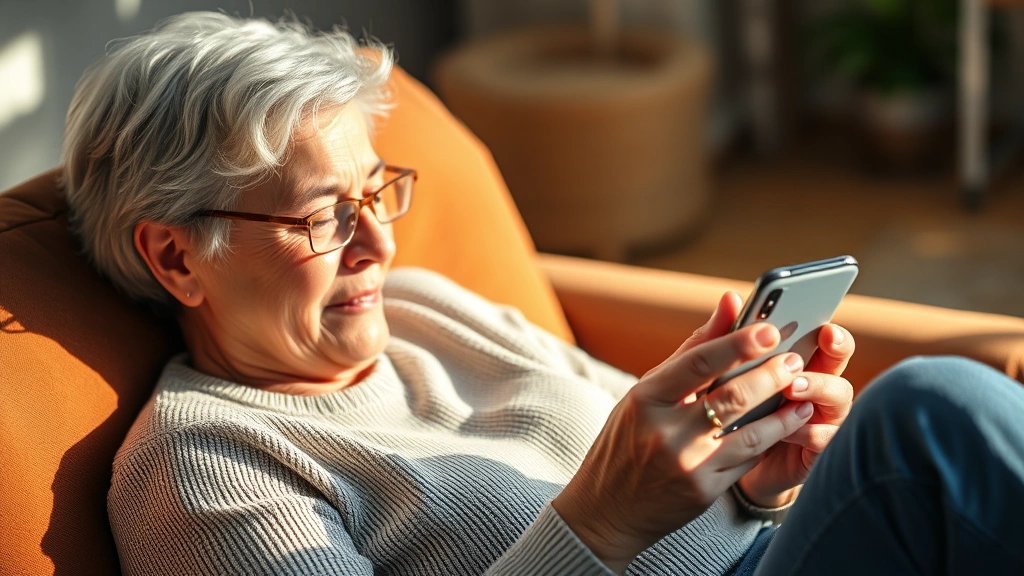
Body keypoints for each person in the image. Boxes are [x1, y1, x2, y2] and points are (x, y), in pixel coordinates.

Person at [61, 12, 1024, 576]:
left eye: (375, 194)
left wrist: (761, 483)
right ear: (177, 257)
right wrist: (599, 523)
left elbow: (669, 480)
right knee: (928, 414)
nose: (379, 244)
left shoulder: (429, 308)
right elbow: (622, 505)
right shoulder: (205, 463)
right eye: (324, 218)